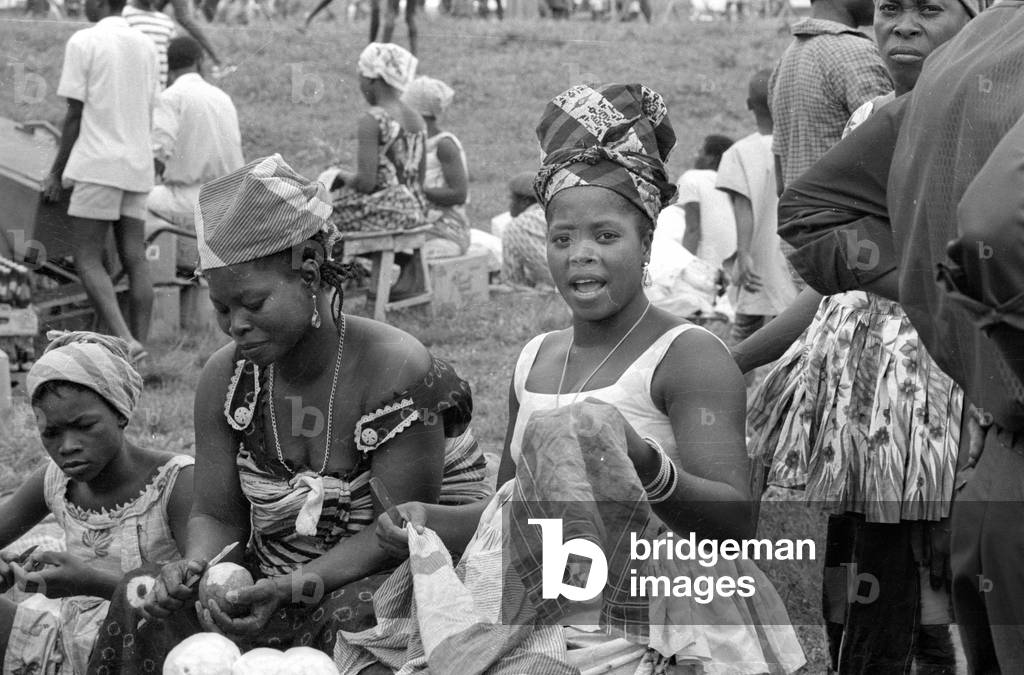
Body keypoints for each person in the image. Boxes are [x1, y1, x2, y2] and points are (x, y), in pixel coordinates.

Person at [366, 83, 806, 675]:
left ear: (647, 241)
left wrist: (646, 464)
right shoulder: (535, 359)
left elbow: (736, 526)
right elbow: (510, 511)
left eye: (606, 236)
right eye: (562, 238)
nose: (581, 255)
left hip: (659, 617)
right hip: (548, 605)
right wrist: (429, 517)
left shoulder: (688, 356)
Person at [85, 154, 491, 671]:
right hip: (267, 580)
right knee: (142, 592)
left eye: (253, 303)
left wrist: (295, 587)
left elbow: (396, 534)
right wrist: (196, 568)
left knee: (355, 615)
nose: (236, 324)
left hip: (370, 577)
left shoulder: (395, 369)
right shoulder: (227, 380)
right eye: (222, 307)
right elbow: (216, 514)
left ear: (312, 275)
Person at [771, 0, 1024, 670]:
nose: (904, 25)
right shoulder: (954, 83)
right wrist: (937, 285)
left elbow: (807, 213)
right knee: (879, 569)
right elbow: (993, 228)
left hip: (965, 422)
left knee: (917, 581)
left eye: (928, 8)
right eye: (891, 8)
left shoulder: (962, 79)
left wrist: (943, 291)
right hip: (902, 412)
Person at [0, 331, 194, 674]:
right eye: (51, 433)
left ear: (121, 413)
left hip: (147, 657)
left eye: (84, 426)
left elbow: (195, 601)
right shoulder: (56, 480)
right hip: (67, 648)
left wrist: (89, 582)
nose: (67, 445)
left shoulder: (174, 482)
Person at [41, 0, 159, 363]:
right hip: (137, 164)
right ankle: (140, 346)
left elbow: (74, 115)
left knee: (88, 258)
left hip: (97, 163)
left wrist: (56, 173)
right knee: (135, 257)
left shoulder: (84, 41)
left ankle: (125, 340)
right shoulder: (146, 45)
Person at [769, 0, 892, 289]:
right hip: (858, 254)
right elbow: (892, 157)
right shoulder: (855, 53)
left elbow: (779, 179)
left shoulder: (788, 58)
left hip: (806, 248)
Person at [147, 35, 244, 270]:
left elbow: (157, 153)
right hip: (234, 199)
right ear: (200, 62)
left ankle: (170, 268)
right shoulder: (222, 97)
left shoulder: (170, 97)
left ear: (169, 69)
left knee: (133, 203)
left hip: (194, 200)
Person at [717, 70, 798, 345]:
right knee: (792, 333)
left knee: (744, 336)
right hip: (792, 258)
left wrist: (742, 254)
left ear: (749, 105)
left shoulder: (739, 153)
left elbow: (744, 206)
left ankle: (734, 385)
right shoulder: (794, 147)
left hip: (756, 259)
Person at [401, 76, 471, 259]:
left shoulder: (444, 145)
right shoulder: (412, 143)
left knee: (407, 255)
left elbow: (459, 193)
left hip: (449, 229)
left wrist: (419, 191)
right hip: (424, 225)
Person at [674, 134, 737, 276]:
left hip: (705, 268)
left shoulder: (692, 178)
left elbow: (693, 229)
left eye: (700, 151)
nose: (695, 155)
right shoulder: (731, 185)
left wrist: (683, 269)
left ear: (710, 158)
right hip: (732, 269)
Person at [500, 171, 553, 290]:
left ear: (524, 202)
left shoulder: (519, 225)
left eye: (512, 199)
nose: (510, 205)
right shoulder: (557, 212)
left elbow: (512, 280)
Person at [122, 0, 176, 89]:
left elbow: (169, 65)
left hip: (159, 94)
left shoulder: (166, 22)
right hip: (130, 91)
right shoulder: (123, 16)